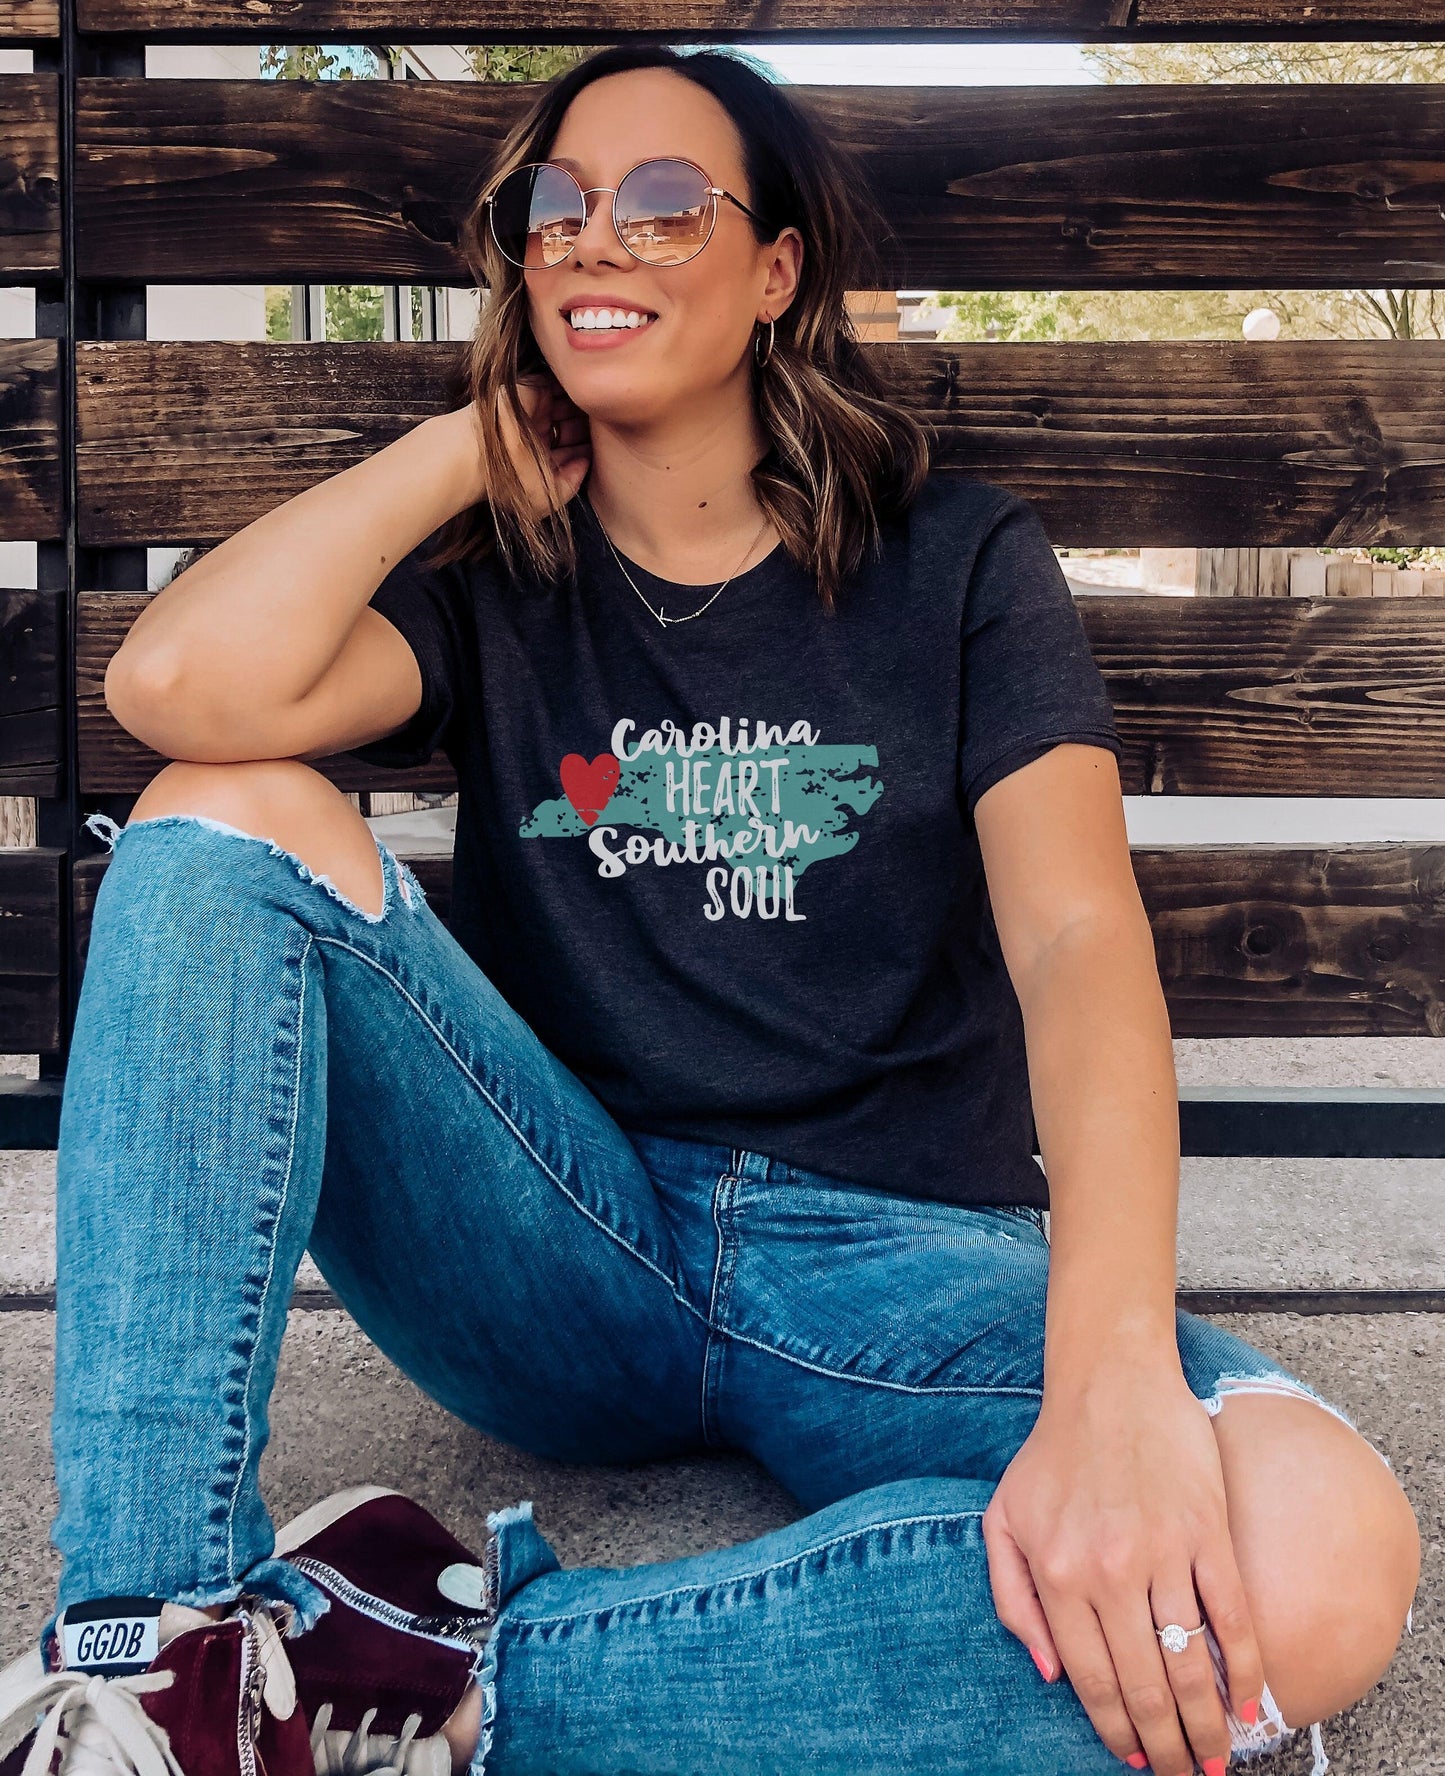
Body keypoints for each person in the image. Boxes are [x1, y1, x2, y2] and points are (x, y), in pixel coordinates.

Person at [0, 42, 1419, 1776]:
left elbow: (1073, 943)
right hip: (561, 1234)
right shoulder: (495, 581)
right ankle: (145, 1641)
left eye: (666, 204)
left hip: (895, 1267)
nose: (598, 240)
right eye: (557, 211)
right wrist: (466, 445)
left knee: (1312, 1562)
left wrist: (1113, 1371)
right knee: (222, 813)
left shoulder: (959, 562)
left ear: (773, 273)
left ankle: (416, 1686)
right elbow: (176, 689)